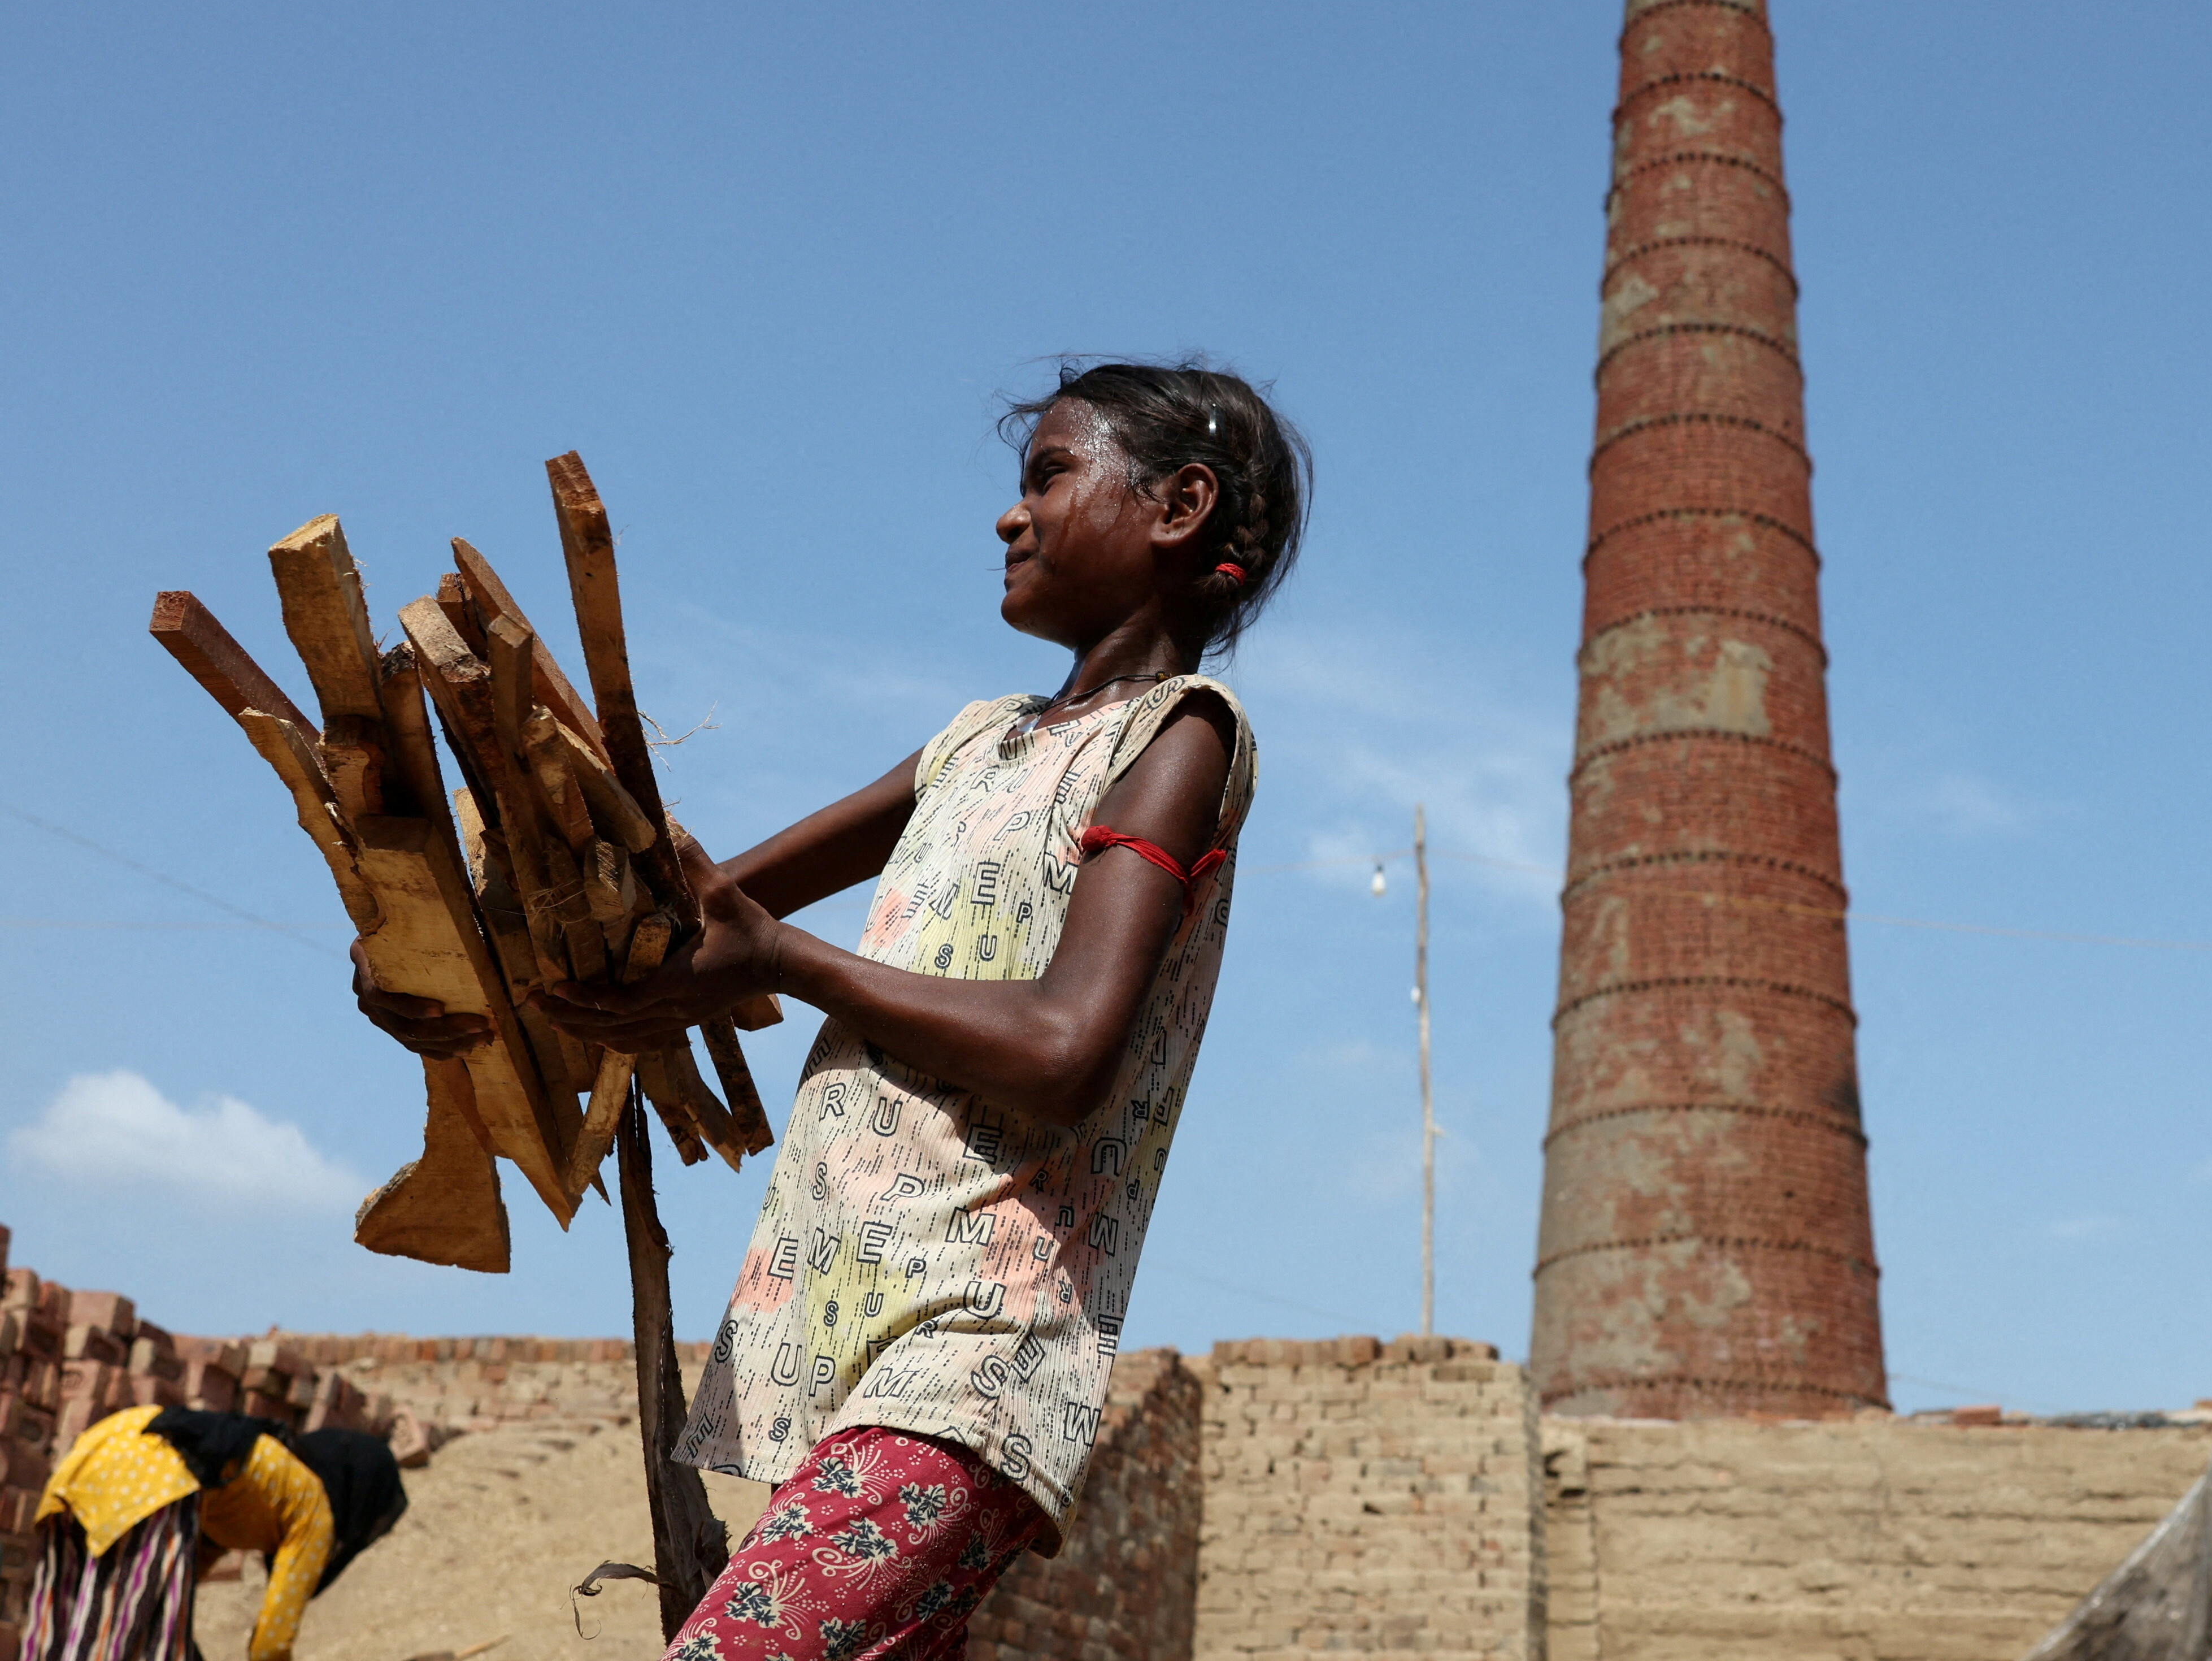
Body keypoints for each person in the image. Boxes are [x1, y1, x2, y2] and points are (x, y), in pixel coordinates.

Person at [352, 359, 1309, 1661]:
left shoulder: (1180, 739)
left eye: (1049, 474)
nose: (1008, 516)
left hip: (975, 1366)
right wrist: (461, 966)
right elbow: (688, 924)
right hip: (863, 1357)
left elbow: (1066, 1047)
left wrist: (785, 960)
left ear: (1180, 505)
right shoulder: (974, 743)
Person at [24, 1406, 407, 1661]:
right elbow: (270, 1646)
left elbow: (183, 1584)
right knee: (123, 1640)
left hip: (94, 1453)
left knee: (65, 1627)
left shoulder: (255, 1480)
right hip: (153, 1476)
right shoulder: (313, 1509)